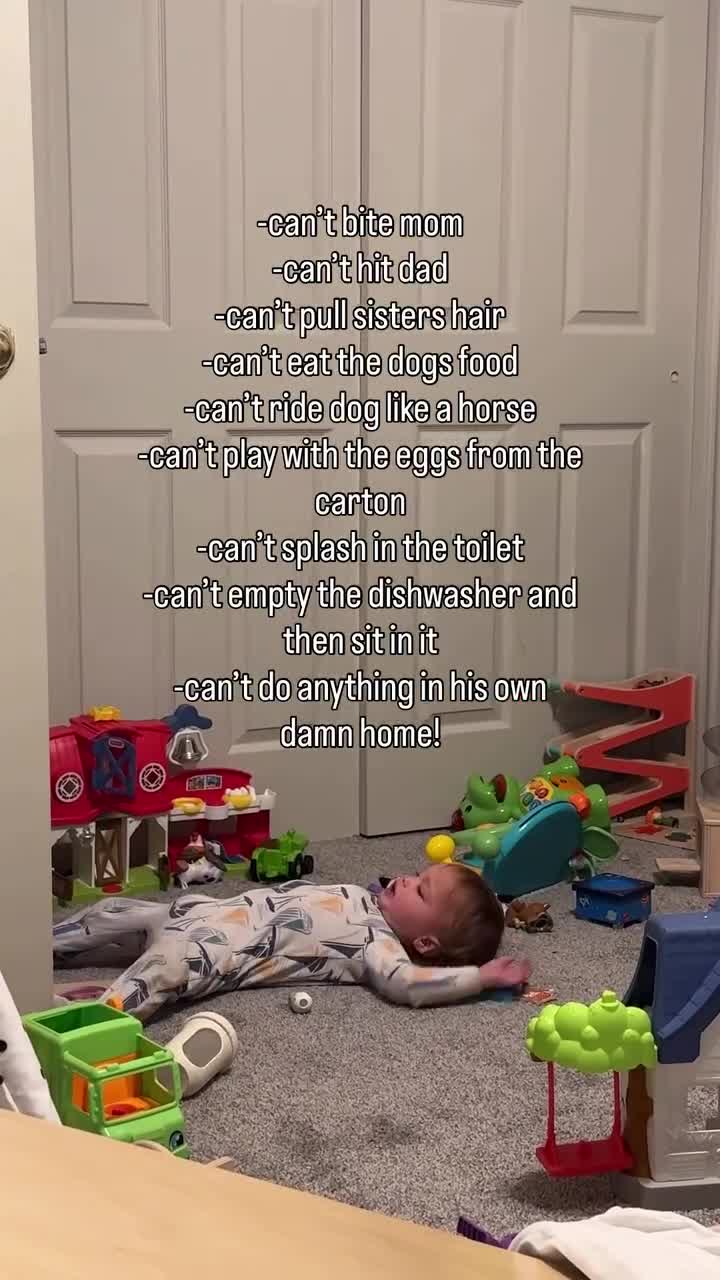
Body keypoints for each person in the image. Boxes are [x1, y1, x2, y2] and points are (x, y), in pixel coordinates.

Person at [52, 863, 530, 1023]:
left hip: (211, 951)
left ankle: (89, 1024)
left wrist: (478, 978)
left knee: (161, 970)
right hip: (198, 910)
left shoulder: (377, 943)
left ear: (424, 942)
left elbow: (407, 985)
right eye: (418, 875)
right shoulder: (365, 898)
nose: (406, 879)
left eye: (421, 891)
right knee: (107, 914)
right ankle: (36, 947)